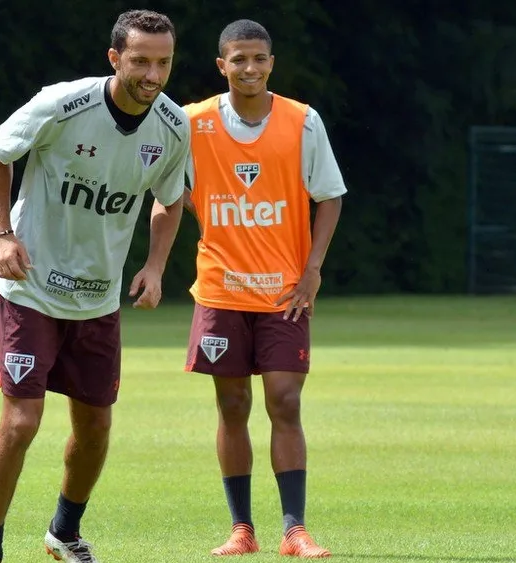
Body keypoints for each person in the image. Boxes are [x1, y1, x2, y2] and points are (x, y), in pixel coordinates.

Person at [0, 9, 188, 563]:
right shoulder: (65, 104)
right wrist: (2, 234)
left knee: (95, 427)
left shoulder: (172, 126)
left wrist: (155, 265)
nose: (152, 74)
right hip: (32, 289)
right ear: (114, 58)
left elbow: (170, 197)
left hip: (97, 299)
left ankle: (63, 532)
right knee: (21, 421)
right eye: (140, 60)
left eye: (162, 62)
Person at [182, 19, 346, 559]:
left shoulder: (303, 120)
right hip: (220, 291)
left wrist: (313, 269)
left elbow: (329, 197)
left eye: (258, 58)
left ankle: (295, 529)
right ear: (221, 65)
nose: (249, 68)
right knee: (231, 405)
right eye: (238, 59)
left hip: (284, 292)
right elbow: (166, 190)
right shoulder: (192, 122)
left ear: (271, 63)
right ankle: (241, 530)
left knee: (285, 400)